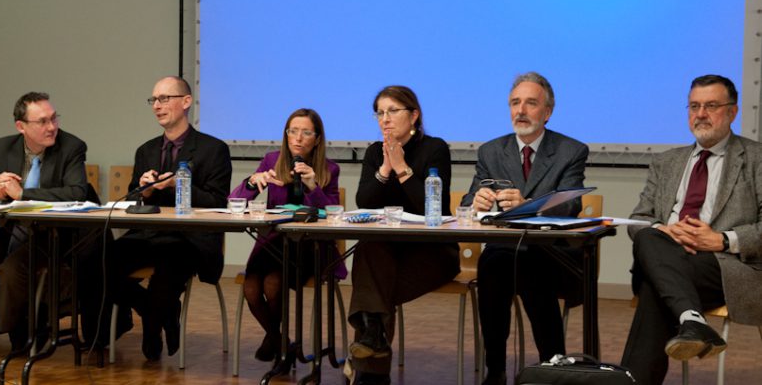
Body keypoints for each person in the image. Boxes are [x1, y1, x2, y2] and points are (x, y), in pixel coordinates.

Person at [621, 74, 762, 384]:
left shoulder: (756, 158)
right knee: (648, 234)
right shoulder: (667, 162)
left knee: (654, 286)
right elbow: (640, 218)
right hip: (669, 259)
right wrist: (665, 231)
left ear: (732, 112)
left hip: (723, 266)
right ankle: (692, 320)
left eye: (711, 105)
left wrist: (722, 240)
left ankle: (635, 375)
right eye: (694, 106)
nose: (701, 114)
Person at [461, 72, 588, 385]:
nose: (521, 110)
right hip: (505, 254)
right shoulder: (491, 151)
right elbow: (467, 200)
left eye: (531, 103)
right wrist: (476, 201)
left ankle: (551, 364)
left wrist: (529, 202)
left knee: (526, 261)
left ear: (547, 112)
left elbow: (570, 204)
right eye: (515, 103)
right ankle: (497, 369)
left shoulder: (571, 151)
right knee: (494, 262)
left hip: (554, 254)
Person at [107, 76, 231, 361]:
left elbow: (217, 203)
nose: (157, 106)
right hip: (147, 236)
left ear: (186, 102)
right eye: (154, 100)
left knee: (168, 269)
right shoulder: (146, 150)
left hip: (189, 240)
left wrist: (178, 185)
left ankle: (153, 331)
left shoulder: (214, 150)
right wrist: (145, 191)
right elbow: (131, 201)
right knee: (98, 260)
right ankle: (158, 311)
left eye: (165, 99)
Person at [347, 85, 460, 385]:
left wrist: (402, 168)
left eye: (392, 111)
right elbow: (365, 202)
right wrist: (384, 167)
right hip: (388, 253)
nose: (385, 119)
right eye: (380, 113)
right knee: (369, 248)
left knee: (373, 285)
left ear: (414, 115)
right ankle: (374, 340)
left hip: (433, 253)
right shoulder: (374, 152)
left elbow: (432, 209)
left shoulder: (435, 148)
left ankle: (369, 365)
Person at [228, 108, 344, 364]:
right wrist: (251, 183)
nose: (298, 138)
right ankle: (281, 341)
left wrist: (313, 187)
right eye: (293, 131)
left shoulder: (329, 169)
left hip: (308, 247)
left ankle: (278, 345)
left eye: (305, 132)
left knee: (272, 283)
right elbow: (234, 201)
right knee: (251, 288)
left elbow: (333, 214)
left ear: (317, 139)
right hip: (273, 243)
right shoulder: (271, 161)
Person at [0, 92, 91, 350]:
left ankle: (14, 331)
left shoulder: (71, 147)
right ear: (21, 127)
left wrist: (23, 194)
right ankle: (16, 324)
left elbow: (76, 192)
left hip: (53, 235)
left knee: (13, 269)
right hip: (10, 231)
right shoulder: (2, 148)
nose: (52, 127)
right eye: (42, 122)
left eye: (54, 118)